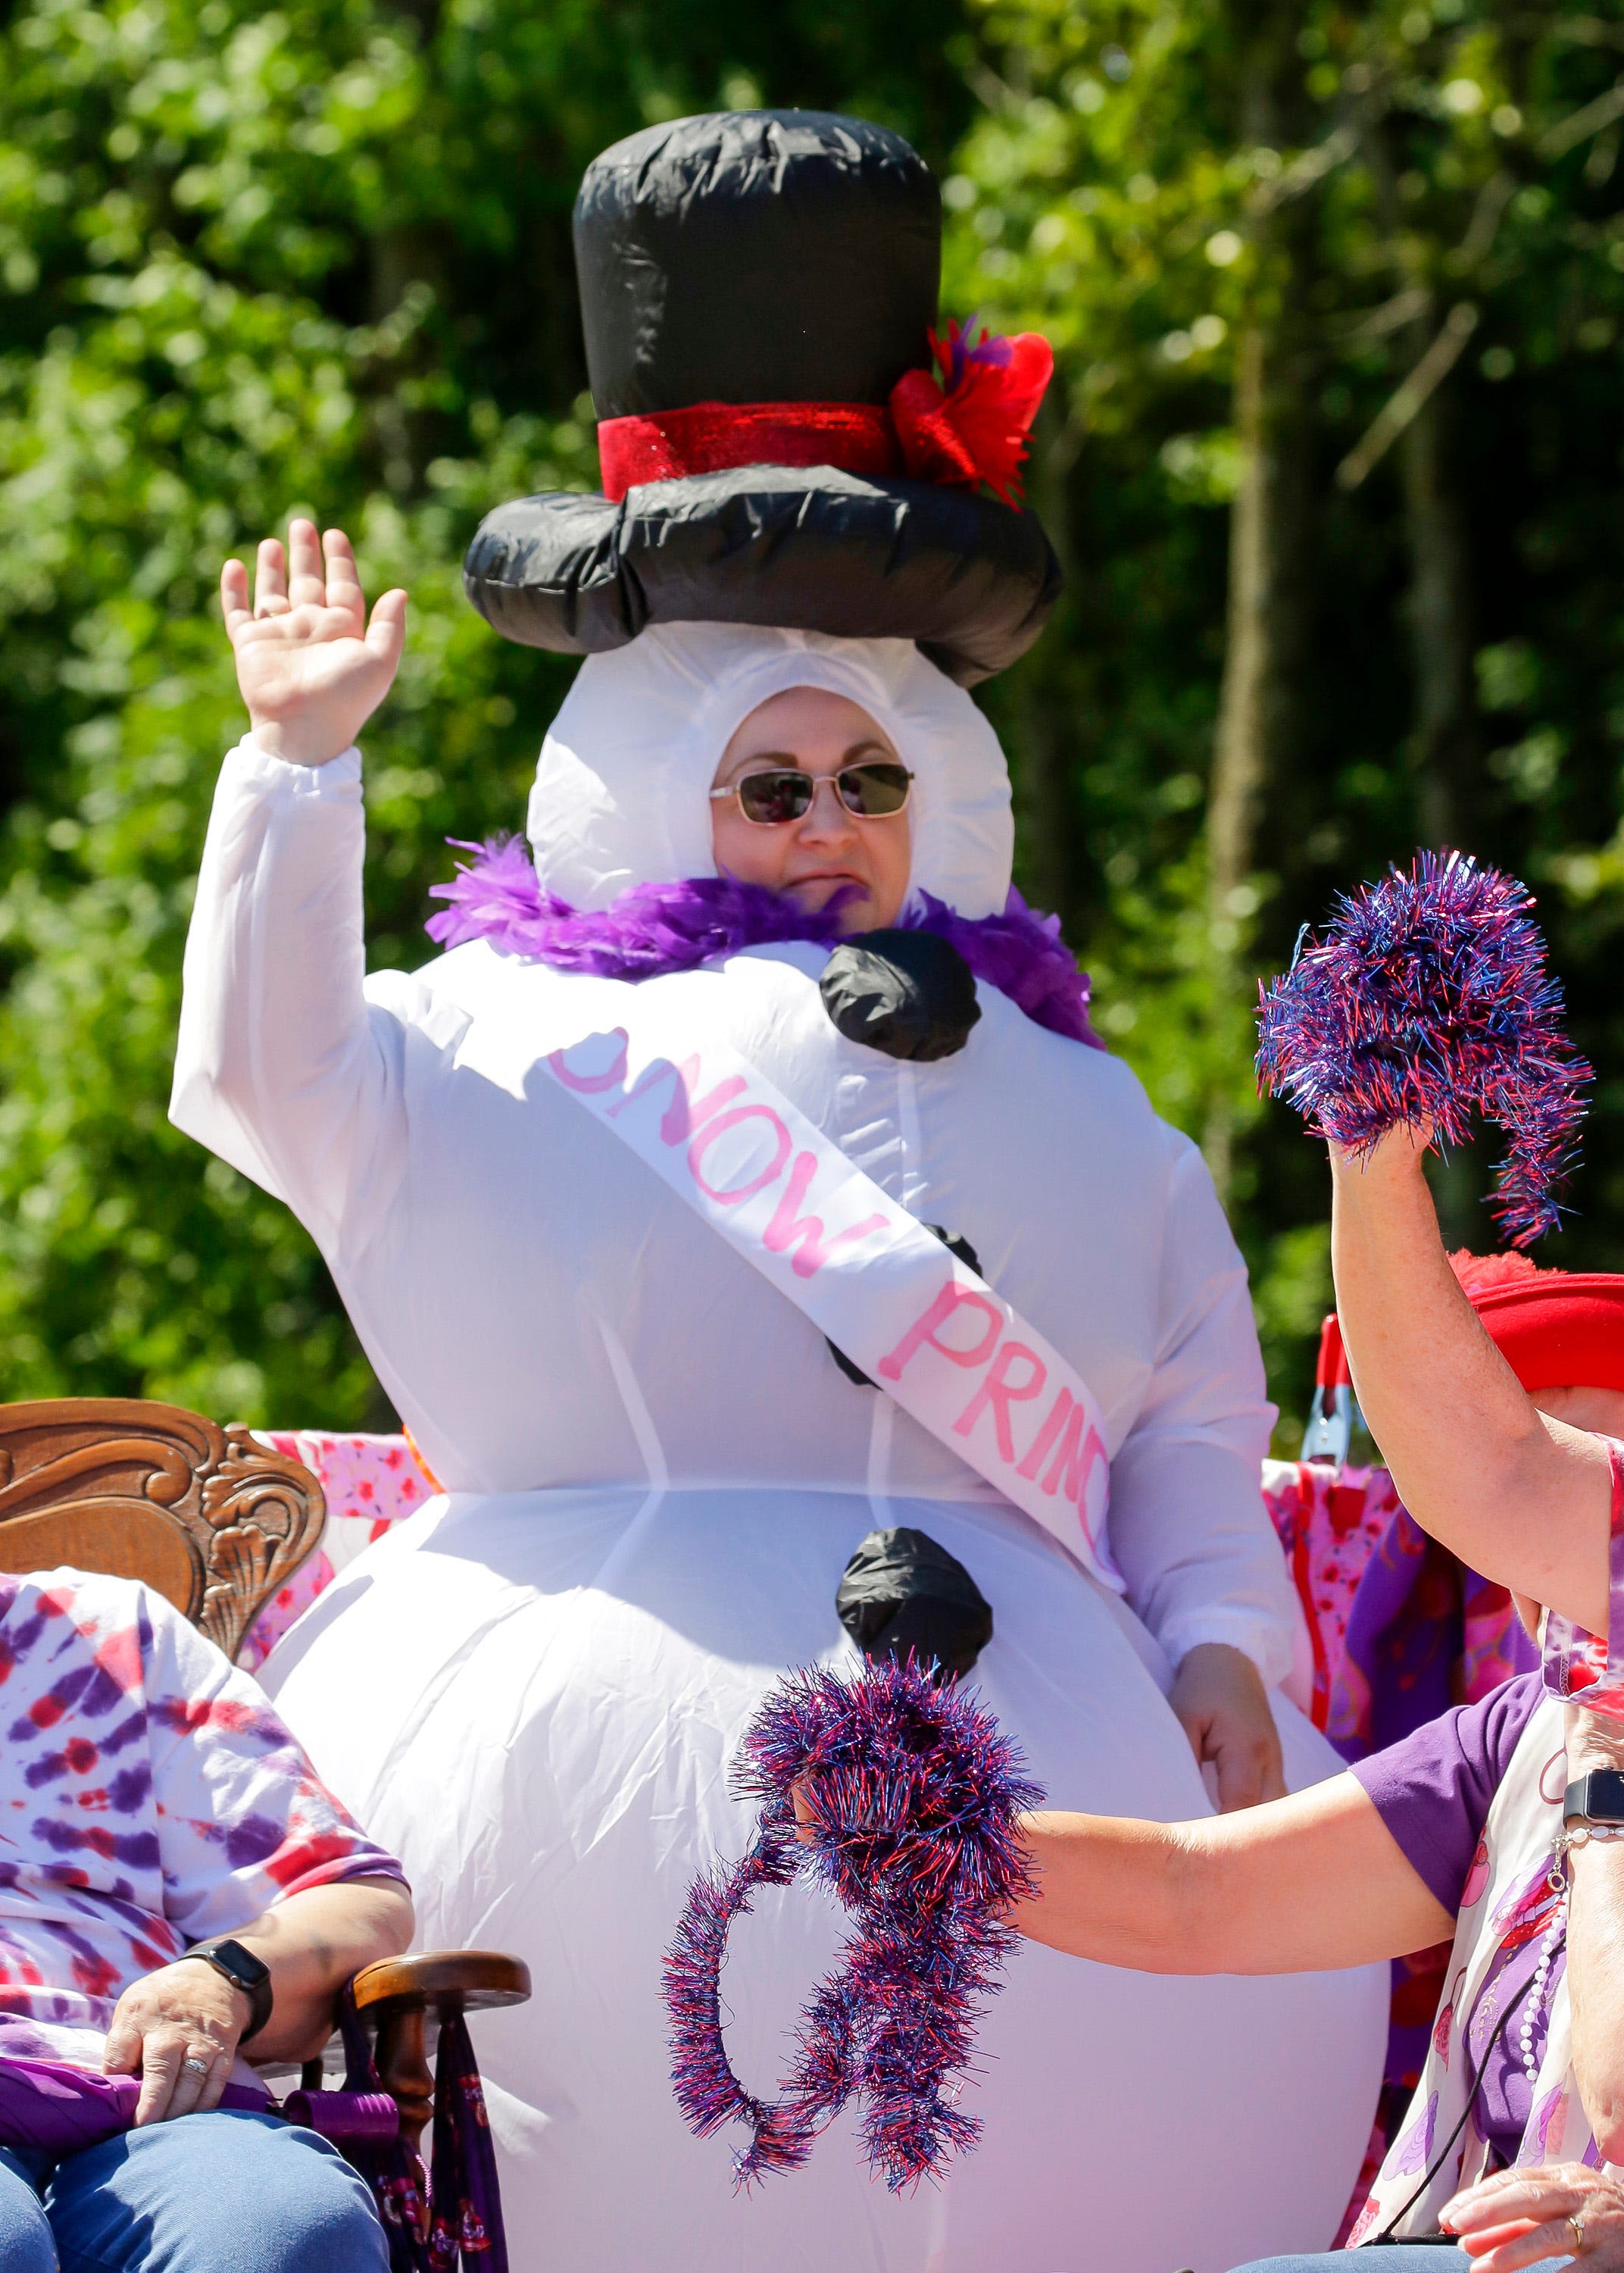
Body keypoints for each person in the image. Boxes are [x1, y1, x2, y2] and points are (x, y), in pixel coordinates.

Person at [170, 109, 1385, 2272]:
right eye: (770, 782)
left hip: (1080, 1862)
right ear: (656, 786)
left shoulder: (1082, 1096)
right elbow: (269, 1072)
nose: (829, 822)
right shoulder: (484, 1039)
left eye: (869, 778)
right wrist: (299, 770)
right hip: (549, 1788)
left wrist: (1213, 1623)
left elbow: (1189, 1403)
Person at [1015, 1124, 1624, 2269]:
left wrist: (1608, 1790)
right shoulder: (1522, 1735)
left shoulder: (1584, 1734)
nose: (1528, 1528)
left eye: (1588, 1463)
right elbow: (1197, 1896)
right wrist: (931, 1839)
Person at [0, 1565, 413, 2273]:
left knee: (287, 2226)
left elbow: (359, 1901)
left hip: (145, 2095)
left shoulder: (109, 1631)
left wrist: (222, 1976)